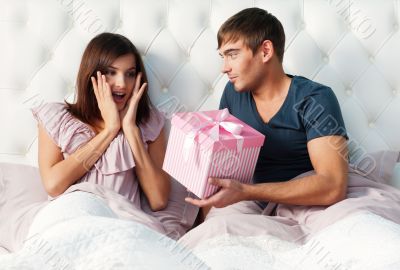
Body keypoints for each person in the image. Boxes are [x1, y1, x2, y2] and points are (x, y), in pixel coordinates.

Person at [185, 8, 349, 217]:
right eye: (222, 57)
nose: (224, 68)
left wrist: (246, 191)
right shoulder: (233, 94)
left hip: (313, 205)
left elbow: (332, 186)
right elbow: (219, 171)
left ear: (265, 51)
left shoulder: (315, 98)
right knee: (220, 234)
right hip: (253, 204)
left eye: (232, 55)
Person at [32, 32, 170, 212]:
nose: (122, 83)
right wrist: (110, 130)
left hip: (123, 227)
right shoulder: (57, 118)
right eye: (111, 72)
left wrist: (130, 130)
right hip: (71, 218)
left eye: (130, 74)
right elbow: (53, 185)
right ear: (92, 74)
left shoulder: (149, 123)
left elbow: (158, 200)